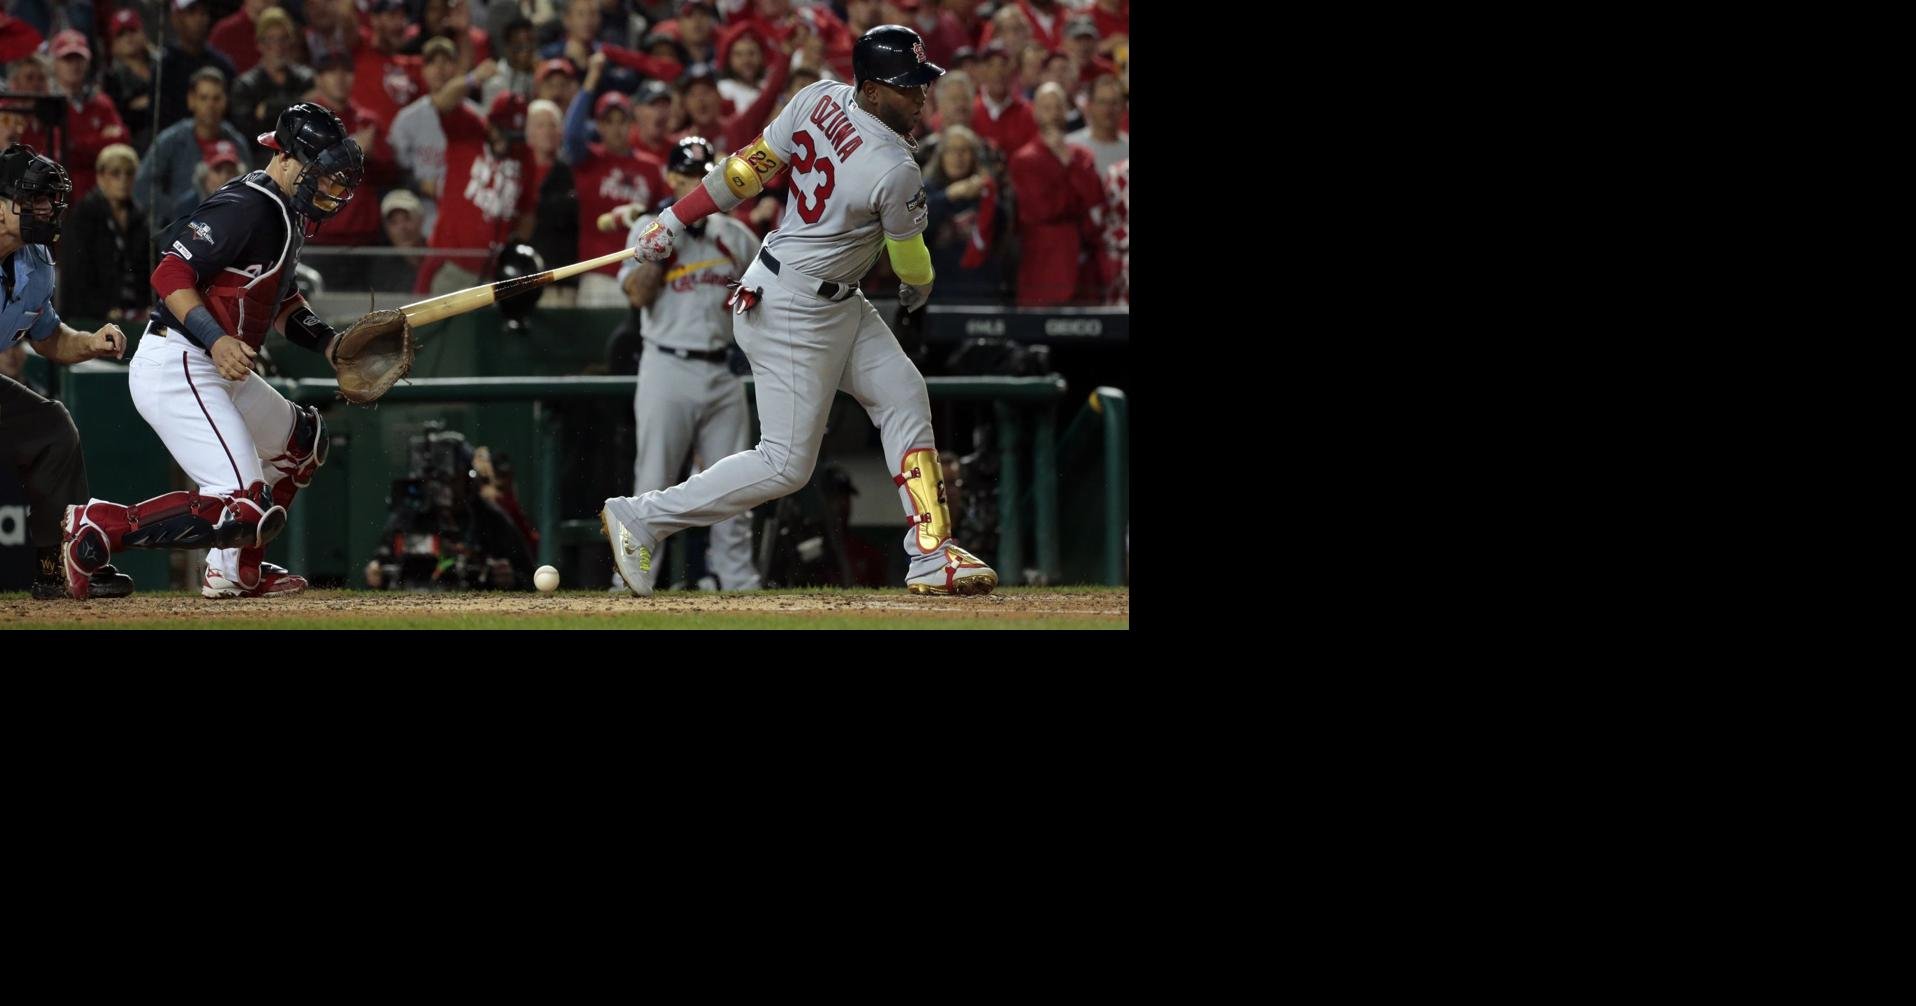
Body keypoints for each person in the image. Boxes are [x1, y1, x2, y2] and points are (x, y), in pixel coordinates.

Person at [600, 24, 997, 597]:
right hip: (795, 310)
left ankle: (931, 554)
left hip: (825, 296)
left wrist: (674, 217)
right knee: (785, 465)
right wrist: (919, 289)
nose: (920, 96)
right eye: (906, 87)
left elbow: (745, 172)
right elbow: (910, 261)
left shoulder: (818, 98)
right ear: (871, 89)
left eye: (921, 83)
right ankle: (644, 517)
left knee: (905, 395)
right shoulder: (895, 165)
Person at [61, 103, 364, 599]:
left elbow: (279, 300)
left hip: (218, 365)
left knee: (301, 443)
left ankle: (233, 570)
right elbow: (169, 275)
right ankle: (99, 526)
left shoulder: (286, 210)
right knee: (239, 505)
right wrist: (216, 338)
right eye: (321, 173)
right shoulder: (250, 205)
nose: (330, 188)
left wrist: (329, 343)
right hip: (179, 360)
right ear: (285, 158)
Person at [616, 136, 761, 591]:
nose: (698, 184)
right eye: (688, 176)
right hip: (666, 366)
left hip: (723, 370)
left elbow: (764, 300)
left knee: (736, 485)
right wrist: (664, 250)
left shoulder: (735, 236)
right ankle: (632, 581)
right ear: (671, 178)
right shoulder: (647, 228)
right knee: (653, 479)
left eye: (705, 176)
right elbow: (636, 295)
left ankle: (738, 581)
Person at [0, 145, 137, 600]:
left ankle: (60, 564)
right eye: (35, 199)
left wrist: (90, 342)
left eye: (49, 199)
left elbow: (48, 336)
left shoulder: (36, 261)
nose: (47, 209)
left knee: (53, 430)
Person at [58, 144, 152, 324]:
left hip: (135, 314)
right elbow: (77, 273)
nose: (123, 180)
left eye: (129, 173)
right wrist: (103, 309)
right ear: (100, 177)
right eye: (116, 173)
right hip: (90, 316)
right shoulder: (84, 215)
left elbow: (146, 269)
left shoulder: (140, 218)